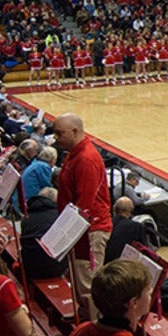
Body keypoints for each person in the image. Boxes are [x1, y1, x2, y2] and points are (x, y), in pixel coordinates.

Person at [55, 113, 113, 319]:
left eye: (60, 133)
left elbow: (85, 204)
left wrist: (65, 233)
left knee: (89, 283)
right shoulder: (74, 153)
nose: (56, 138)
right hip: (78, 229)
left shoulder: (87, 159)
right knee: (78, 278)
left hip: (89, 230)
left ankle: (95, 324)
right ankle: (85, 315)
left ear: (75, 131)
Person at [20, 188, 68, 279]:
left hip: (28, 267)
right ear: (54, 201)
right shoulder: (58, 216)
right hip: (53, 268)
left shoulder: (26, 217)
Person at [104, 197, 149, 263]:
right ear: (130, 210)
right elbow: (144, 249)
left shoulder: (106, 223)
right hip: (124, 264)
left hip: (105, 262)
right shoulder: (136, 226)